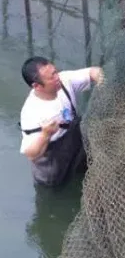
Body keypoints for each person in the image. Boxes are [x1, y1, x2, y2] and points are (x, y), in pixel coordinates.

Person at [19, 56, 104, 187]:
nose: (57, 77)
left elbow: (93, 71)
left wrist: (102, 83)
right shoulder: (31, 113)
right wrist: (45, 134)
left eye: (55, 72)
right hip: (52, 161)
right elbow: (31, 154)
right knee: (56, 192)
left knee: (84, 173)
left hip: (75, 144)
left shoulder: (64, 80)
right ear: (37, 86)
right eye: (51, 77)